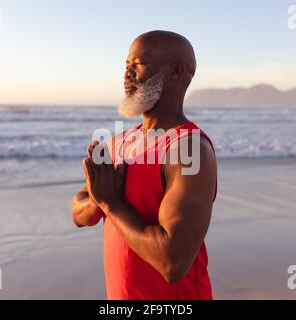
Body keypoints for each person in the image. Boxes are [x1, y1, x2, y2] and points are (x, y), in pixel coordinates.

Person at [72, 30, 217, 300]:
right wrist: (97, 199)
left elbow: (172, 262)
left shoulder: (189, 150)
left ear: (175, 72)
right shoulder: (118, 143)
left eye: (138, 64)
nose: (127, 74)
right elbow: (79, 213)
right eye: (126, 65)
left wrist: (112, 204)